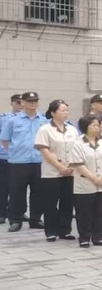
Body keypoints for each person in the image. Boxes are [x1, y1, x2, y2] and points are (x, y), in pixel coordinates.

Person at [34, 99, 80, 242]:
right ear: (53, 113)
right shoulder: (45, 129)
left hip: (70, 172)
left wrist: (71, 166)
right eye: (62, 110)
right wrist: (60, 167)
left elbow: (77, 149)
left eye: (67, 110)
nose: (66, 113)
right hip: (51, 173)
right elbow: (44, 150)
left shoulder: (72, 129)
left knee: (68, 202)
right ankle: (51, 231)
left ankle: (65, 230)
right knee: (50, 203)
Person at [3, 92, 48, 232]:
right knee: (17, 192)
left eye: (35, 101)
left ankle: (35, 219)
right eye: (29, 101)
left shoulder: (44, 120)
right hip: (18, 162)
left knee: (38, 192)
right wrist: (16, 151)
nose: (33, 103)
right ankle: (15, 220)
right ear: (22, 103)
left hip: (38, 161)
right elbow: (5, 140)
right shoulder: (12, 121)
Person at [69, 113, 102, 247]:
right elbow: (79, 164)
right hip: (85, 182)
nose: (97, 128)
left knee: (100, 211)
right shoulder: (78, 143)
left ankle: (98, 236)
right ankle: (84, 237)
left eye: (98, 125)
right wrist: (93, 178)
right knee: (84, 211)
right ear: (85, 127)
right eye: (93, 125)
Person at [0, 94, 20, 225]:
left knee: (18, 188)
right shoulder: (4, 118)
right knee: (3, 187)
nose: (20, 105)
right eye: (18, 102)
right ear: (12, 103)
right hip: (5, 157)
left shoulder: (33, 119)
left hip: (21, 159)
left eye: (22, 102)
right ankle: (2, 213)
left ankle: (17, 212)